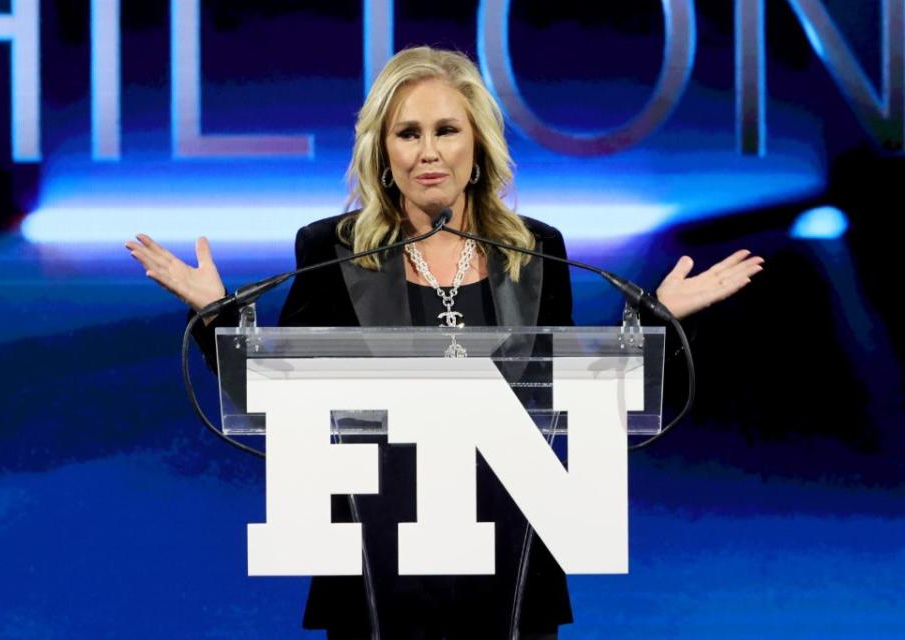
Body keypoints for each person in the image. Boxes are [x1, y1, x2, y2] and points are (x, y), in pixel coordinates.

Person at [127, 46, 763, 639]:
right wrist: (216, 313)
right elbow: (275, 400)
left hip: (511, 568)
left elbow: (574, 398)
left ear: (478, 145)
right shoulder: (330, 251)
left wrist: (659, 324)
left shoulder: (534, 251)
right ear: (383, 152)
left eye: (446, 130)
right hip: (373, 571)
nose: (428, 152)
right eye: (408, 134)